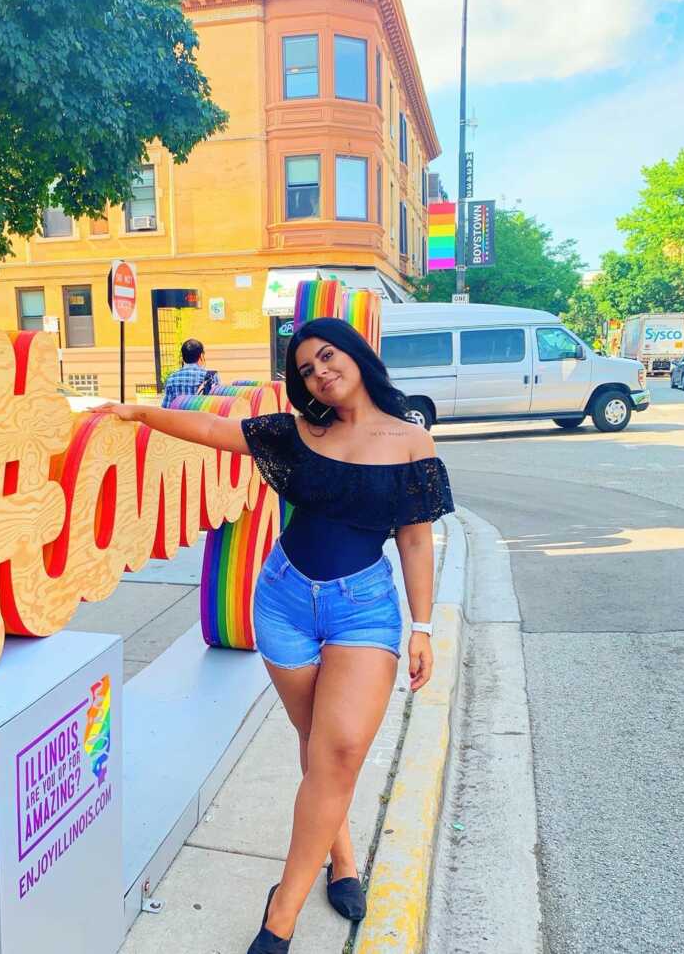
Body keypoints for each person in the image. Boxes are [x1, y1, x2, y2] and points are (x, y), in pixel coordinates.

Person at [101, 317, 454, 952]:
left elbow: (416, 538)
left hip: (363, 611)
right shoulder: (297, 433)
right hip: (284, 601)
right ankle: (341, 857)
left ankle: (280, 915)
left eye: (327, 356)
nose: (320, 371)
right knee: (316, 741)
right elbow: (213, 429)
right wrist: (138, 412)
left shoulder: (411, 444)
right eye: (307, 369)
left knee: (340, 749)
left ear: (354, 353)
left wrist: (422, 625)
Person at [161, 338, 219, 408]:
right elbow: (216, 405)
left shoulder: (172, 378)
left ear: (182, 358)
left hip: (179, 418)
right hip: (201, 418)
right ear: (201, 356)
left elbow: (166, 408)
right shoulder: (211, 376)